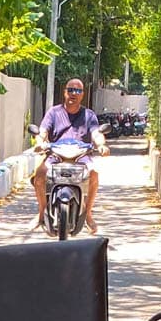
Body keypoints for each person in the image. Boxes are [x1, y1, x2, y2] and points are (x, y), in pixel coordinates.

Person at [31, 78, 109, 233]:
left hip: (81, 156)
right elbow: (42, 131)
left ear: (82, 95)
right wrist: (39, 141)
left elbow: (96, 133)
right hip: (55, 155)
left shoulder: (89, 115)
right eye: (71, 90)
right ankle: (41, 213)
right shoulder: (53, 112)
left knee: (94, 174)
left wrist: (101, 145)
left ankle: (88, 215)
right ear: (65, 92)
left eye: (78, 90)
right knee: (39, 175)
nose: (74, 93)